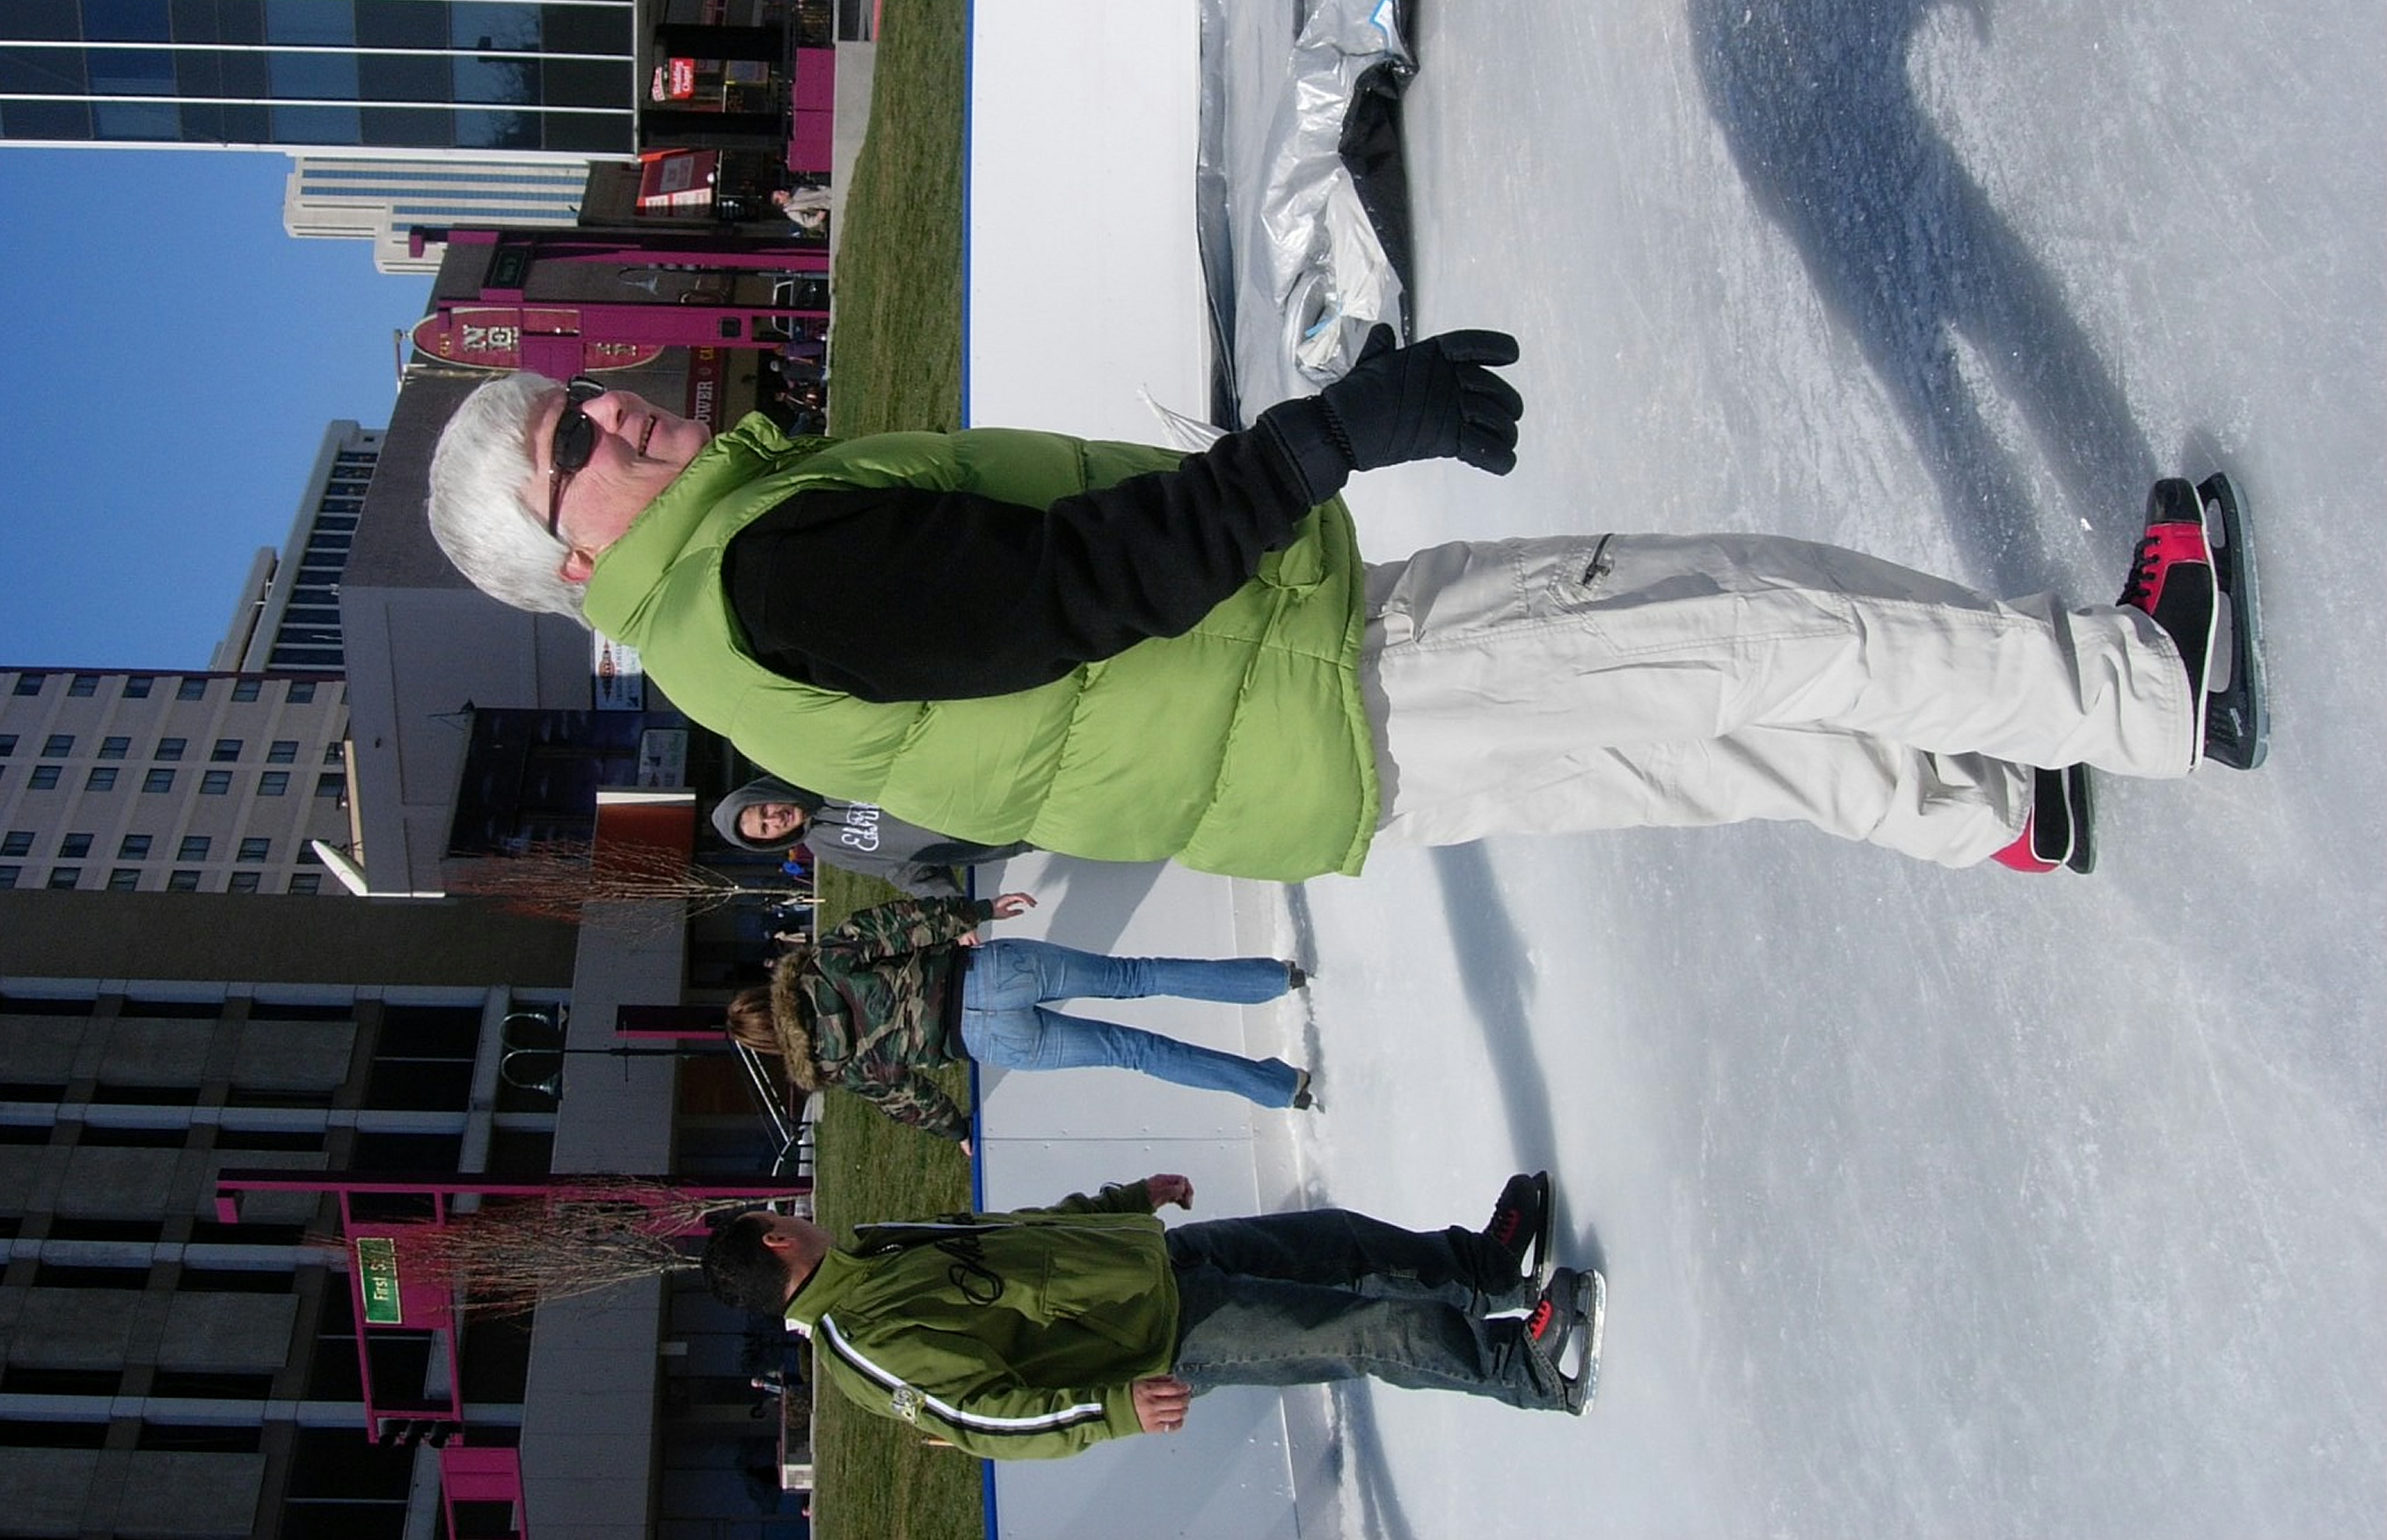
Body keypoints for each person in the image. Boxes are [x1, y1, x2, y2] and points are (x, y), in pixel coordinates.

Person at [426, 332, 2232, 882]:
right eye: (570, 448)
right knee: (1734, 620)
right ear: (569, 559)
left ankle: (1998, 801)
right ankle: (2143, 683)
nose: (613, 416)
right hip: (1316, 679)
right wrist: (1313, 442)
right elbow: (1072, 593)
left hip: (1309, 755)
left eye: (582, 396)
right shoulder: (754, 573)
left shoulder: (731, 615)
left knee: (1703, 737)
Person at [698, 1170, 1596, 1457]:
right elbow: (983, 1419)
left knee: (1339, 1241)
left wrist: (1125, 1199)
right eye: (780, 1215)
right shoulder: (863, 1345)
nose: (795, 1212)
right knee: (1355, 1330)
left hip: (1159, 1258)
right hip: (1167, 1335)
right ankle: (1525, 1367)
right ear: (776, 1241)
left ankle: (1483, 1270)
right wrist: (1114, 1409)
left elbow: (1018, 1230)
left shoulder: (872, 1244)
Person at [726, 891, 1314, 1147]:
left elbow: (907, 1098)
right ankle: (1272, 978)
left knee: (1134, 1051)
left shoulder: (837, 1068)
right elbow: (901, 924)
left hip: (990, 1040)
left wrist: (957, 1132)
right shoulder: (824, 961)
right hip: (990, 974)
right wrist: (980, 910)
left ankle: (1279, 1088)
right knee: (1135, 976)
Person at [709, 771, 1034, 895]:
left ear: (763, 793)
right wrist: (955, 909)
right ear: (768, 842)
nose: (775, 819)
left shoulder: (826, 773)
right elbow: (905, 871)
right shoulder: (828, 849)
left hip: (997, 784)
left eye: (764, 810)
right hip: (1008, 836)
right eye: (765, 828)